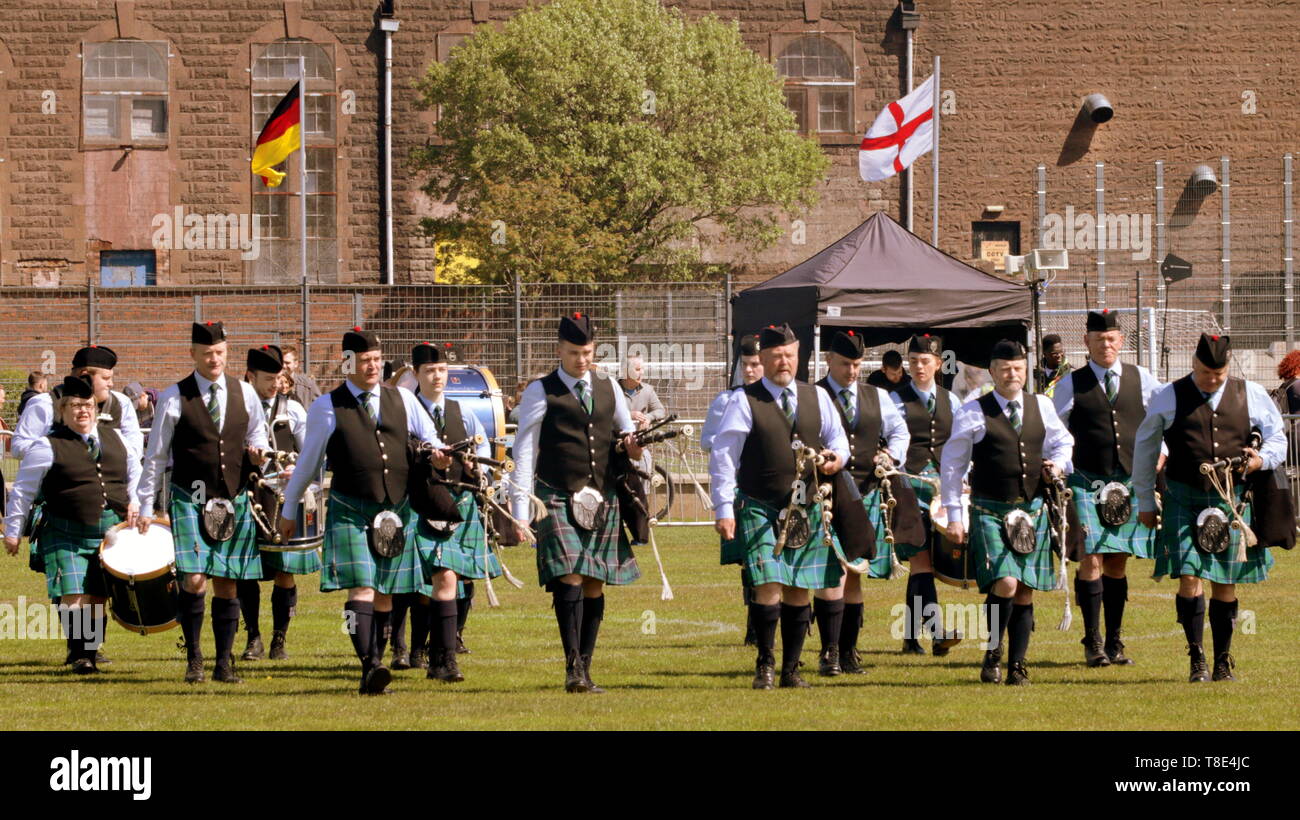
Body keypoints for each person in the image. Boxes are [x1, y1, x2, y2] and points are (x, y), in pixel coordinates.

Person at [277, 327, 450, 695]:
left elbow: (429, 435)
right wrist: (290, 506)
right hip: (351, 508)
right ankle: (368, 663)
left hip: (395, 508)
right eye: (364, 361)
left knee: (386, 592)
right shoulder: (327, 405)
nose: (372, 366)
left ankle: (376, 662)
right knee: (362, 589)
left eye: (376, 359)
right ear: (347, 363)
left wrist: (436, 452)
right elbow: (309, 464)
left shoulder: (401, 399)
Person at [1133, 333, 1286, 683]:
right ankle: (1197, 658)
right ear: (1194, 364)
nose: (1212, 380)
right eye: (1205, 373)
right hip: (1183, 499)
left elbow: (1278, 437)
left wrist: (1261, 459)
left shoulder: (1252, 394)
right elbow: (1145, 448)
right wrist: (1144, 499)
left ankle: (1222, 659)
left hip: (1230, 502)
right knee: (1189, 576)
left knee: (1227, 583)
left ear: (1228, 367)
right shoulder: (1167, 396)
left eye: (1218, 374)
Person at [709, 323, 849, 689]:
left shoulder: (816, 397)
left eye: (788, 355)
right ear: (763, 360)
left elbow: (838, 439)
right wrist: (724, 507)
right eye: (775, 357)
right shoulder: (744, 400)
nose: (782, 363)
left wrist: (836, 459)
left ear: (798, 355)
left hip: (806, 507)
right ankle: (765, 664)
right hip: (760, 505)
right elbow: (724, 455)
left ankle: (791, 669)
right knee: (769, 583)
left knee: (800, 588)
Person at [510, 312, 643, 693]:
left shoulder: (608, 387)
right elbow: (525, 452)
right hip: (556, 495)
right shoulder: (541, 390)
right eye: (573, 353)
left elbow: (626, 432)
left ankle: (586, 666)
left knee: (594, 581)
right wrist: (522, 513)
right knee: (569, 574)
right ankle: (571, 668)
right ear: (558, 350)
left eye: (586, 352)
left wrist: (633, 445)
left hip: (602, 496)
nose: (581, 360)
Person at [136, 321, 270, 684]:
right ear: (192, 354)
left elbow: (258, 433)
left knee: (227, 581)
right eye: (207, 353)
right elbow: (157, 455)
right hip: (190, 497)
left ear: (228, 353)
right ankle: (194, 657)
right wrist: (146, 505)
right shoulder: (174, 396)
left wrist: (259, 455)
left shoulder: (244, 392)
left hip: (233, 497)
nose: (214, 359)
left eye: (220, 353)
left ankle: (224, 662)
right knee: (194, 579)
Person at [940, 339, 1073, 685]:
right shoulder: (972, 410)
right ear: (993, 372)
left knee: (1025, 587)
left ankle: (1017, 665)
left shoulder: (1041, 405)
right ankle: (993, 651)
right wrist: (954, 514)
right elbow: (953, 465)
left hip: (1032, 509)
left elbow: (1063, 442)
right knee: (1007, 582)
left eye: (1018, 368)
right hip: (989, 509)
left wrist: (1057, 465)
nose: (1012, 374)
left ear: (1026, 370)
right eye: (1005, 369)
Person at [3, 376, 139, 674]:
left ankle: (90, 652)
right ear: (63, 410)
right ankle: (80, 655)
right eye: (75, 406)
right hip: (65, 530)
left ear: (96, 408)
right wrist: (13, 531)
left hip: (110, 531)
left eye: (88, 405)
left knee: (98, 597)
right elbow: (23, 491)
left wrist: (136, 503)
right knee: (74, 593)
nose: (83, 411)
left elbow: (136, 473)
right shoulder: (46, 445)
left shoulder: (117, 439)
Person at [1051, 309, 1163, 667]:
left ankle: (1115, 641)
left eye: (1112, 338)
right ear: (1086, 342)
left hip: (1128, 480)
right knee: (1091, 560)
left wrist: (1160, 455)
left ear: (1121, 341)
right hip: (1086, 480)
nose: (1106, 345)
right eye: (1099, 339)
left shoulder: (1141, 377)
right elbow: (1056, 431)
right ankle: (1093, 641)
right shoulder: (1070, 382)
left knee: (1117, 563)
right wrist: (1062, 467)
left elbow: (1162, 422)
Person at [814, 330, 912, 674]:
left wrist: (890, 454)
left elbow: (900, 432)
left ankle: (848, 652)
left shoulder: (878, 396)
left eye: (857, 365)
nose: (852, 371)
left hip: (866, 493)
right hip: (824, 496)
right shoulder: (814, 395)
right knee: (832, 573)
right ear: (828, 360)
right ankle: (829, 652)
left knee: (855, 573)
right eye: (845, 364)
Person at [406, 341, 502, 683]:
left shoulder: (463, 413)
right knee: (420, 586)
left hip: (458, 505)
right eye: (430, 371)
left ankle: (443, 659)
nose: (437, 377)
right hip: (418, 506)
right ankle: (417, 650)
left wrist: (481, 472)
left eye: (443, 370)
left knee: (449, 581)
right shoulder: (406, 412)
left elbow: (483, 449)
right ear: (416, 374)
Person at [235, 344, 317, 662]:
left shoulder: (292, 409)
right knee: (244, 571)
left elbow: (310, 451)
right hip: (246, 496)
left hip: (282, 496)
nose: (275, 383)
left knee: (285, 572)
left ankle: (279, 640)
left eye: (278, 377)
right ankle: (253, 637)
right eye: (268, 378)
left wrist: (298, 468)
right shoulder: (237, 408)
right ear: (250, 376)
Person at [890, 333, 965, 656]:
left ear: (938, 363)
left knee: (928, 564)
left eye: (925, 361)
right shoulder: (894, 399)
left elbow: (962, 444)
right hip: (908, 486)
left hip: (943, 489)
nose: (919, 367)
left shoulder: (952, 400)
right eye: (914, 361)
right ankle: (936, 633)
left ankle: (910, 638)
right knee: (920, 559)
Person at [700, 334, 763, 646]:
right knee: (748, 560)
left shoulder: (778, 400)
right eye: (746, 364)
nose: (749, 371)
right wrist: (732, 443)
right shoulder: (726, 401)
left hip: (768, 487)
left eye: (755, 364)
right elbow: (707, 441)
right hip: (739, 487)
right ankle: (753, 620)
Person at [11, 346, 142, 462]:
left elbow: (135, 446)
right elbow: (19, 446)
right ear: (84, 375)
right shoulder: (44, 404)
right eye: (106, 378)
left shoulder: (121, 403)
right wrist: (61, 452)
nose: (111, 384)